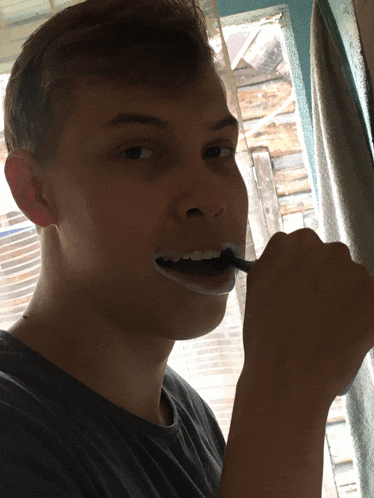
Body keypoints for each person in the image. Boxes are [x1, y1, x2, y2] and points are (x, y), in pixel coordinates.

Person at [2, 1, 374, 497]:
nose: (209, 199)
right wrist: (289, 387)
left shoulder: (183, 407)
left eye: (217, 151)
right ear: (34, 192)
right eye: (137, 151)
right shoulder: (13, 431)